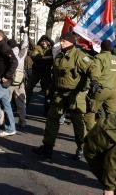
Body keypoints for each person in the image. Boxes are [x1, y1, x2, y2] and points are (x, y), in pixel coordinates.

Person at [33, 32, 91, 160]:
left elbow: (92, 70)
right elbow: (55, 75)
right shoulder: (59, 56)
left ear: (71, 42)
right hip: (59, 93)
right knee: (52, 119)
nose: (61, 42)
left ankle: (82, 149)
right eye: (61, 40)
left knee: (78, 123)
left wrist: (88, 87)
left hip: (75, 94)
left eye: (64, 40)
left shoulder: (79, 56)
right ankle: (47, 147)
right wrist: (50, 90)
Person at [85, 40, 116, 131]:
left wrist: (93, 83)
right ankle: (111, 134)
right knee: (113, 114)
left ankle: (90, 134)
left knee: (90, 111)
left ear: (101, 47)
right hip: (113, 90)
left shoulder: (99, 57)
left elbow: (95, 72)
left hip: (101, 89)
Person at [7, 28, 29, 129]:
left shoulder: (8, 54)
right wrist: (25, 33)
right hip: (20, 82)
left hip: (9, 82)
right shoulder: (21, 54)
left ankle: (4, 122)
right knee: (21, 103)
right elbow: (25, 44)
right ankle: (22, 121)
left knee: (5, 103)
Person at [26, 35, 53, 111]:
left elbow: (53, 55)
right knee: (28, 88)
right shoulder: (37, 47)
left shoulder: (51, 49)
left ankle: (47, 110)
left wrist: (47, 57)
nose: (44, 42)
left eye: (46, 41)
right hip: (36, 72)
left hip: (46, 72)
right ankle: (24, 106)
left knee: (47, 92)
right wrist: (46, 58)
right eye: (42, 41)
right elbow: (35, 56)